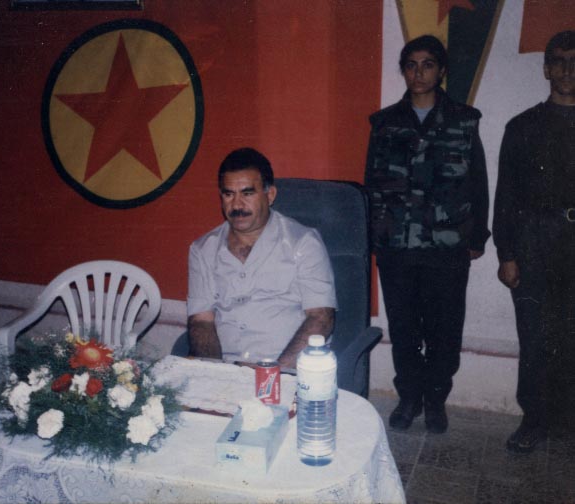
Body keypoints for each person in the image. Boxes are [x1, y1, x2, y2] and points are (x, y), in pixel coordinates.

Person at [364, 35, 490, 434]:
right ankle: (409, 398)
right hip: (397, 247)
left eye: (428, 64)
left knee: (444, 331)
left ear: (441, 71)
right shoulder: (384, 123)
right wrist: (374, 238)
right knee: (403, 330)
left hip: (445, 248)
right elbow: (372, 185)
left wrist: (477, 238)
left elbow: (478, 183)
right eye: (411, 65)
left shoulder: (464, 121)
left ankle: (435, 400)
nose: (419, 73)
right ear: (404, 71)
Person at [493, 30, 575, 453]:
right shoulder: (523, 126)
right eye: (559, 61)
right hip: (536, 242)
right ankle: (534, 420)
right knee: (536, 337)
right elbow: (506, 196)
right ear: (546, 70)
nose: (568, 70)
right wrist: (507, 254)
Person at [186, 147, 337, 369]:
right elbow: (201, 322)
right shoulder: (202, 250)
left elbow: (321, 318)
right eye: (228, 194)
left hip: (287, 369)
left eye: (247, 193)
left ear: (270, 195)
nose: (237, 205)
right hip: (226, 369)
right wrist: (217, 373)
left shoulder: (303, 243)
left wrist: (274, 374)